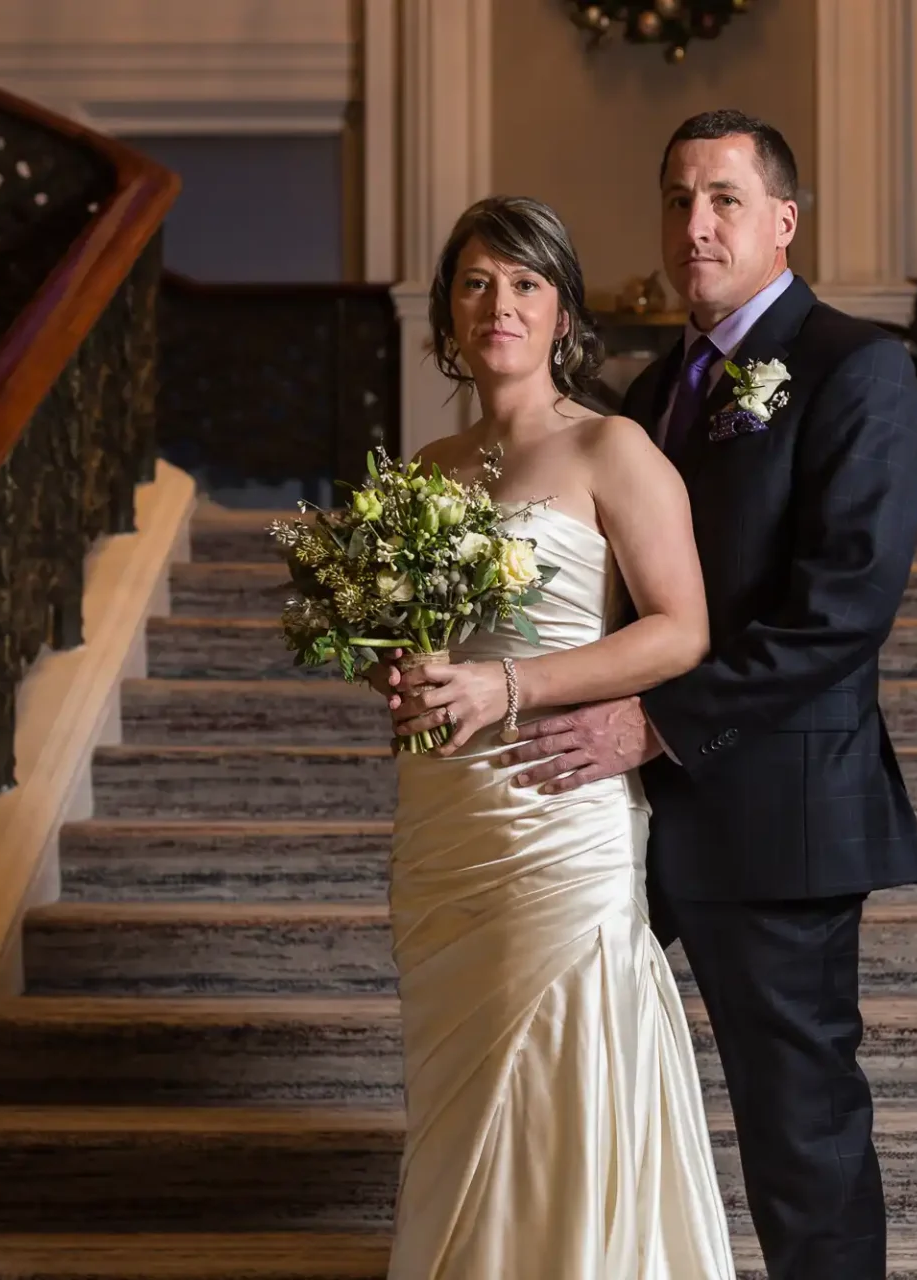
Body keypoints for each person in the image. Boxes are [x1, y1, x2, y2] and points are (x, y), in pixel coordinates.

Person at [414, 110, 917, 1279]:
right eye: (677, 200)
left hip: (777, 807)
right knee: (591, 1088)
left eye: (725, 199)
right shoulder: (645, 394)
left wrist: (656, 718)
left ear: (784, 221)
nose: (695, 224)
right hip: (615, 815)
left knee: (800, 1130)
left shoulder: (860, 367)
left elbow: (843, 607)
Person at [373, 195, 736, 1279]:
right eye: (478, 281)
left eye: (526, 282)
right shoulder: (428, 467)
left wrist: (508, 683)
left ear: (564, 312)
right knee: (460, 1092)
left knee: (558, 1071)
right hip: (445, 821)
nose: (501, 303)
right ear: (448, 310)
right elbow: (426, 642)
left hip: (553, 811)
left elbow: (682, 628)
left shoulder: (609, 447)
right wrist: (406, 674)